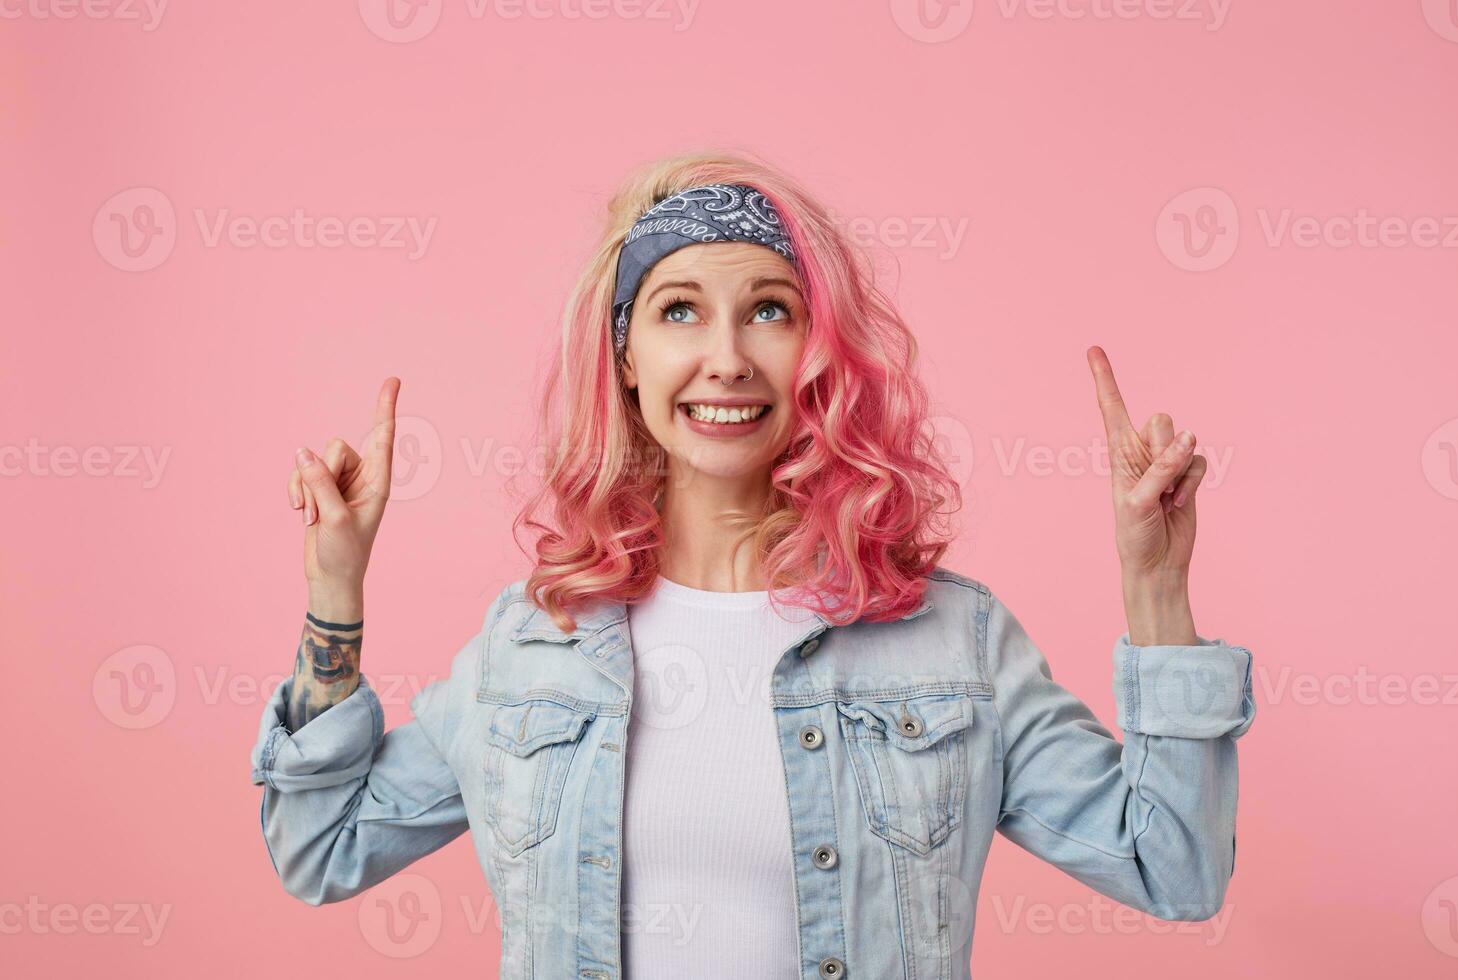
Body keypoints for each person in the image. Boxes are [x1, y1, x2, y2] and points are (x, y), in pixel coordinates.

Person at [251, 152, 1255, 980]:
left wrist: (1157, 588)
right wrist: (334, 598)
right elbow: (321, 845)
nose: (726, 356)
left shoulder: (951, 641)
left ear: (821, 348)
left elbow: (1173, 865)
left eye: (769, 310)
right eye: (679, 309)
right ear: (627, 355)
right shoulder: (533, 644)